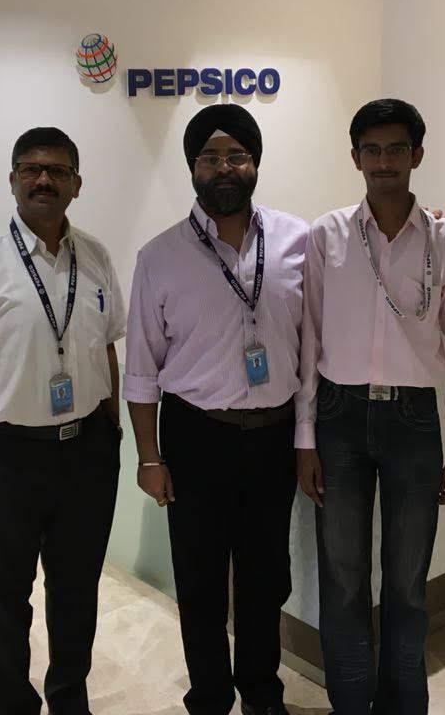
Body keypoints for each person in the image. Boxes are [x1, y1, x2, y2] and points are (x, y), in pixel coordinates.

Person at [0, 127, 125, 715]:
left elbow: (107, 347)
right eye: (31, 169)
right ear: (12, 181)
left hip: (87, 454)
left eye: (58, 171)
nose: (43, 180)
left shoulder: (96, 256)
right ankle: (14, 704)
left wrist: (111, 431)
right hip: (8, 458)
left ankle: (69, 700)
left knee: (77, 591)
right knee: (8, 597)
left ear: (76, 184)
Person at [296, 97, 445, 715]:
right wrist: (305, 438)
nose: (383, 162)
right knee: (343, 579)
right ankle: (352, 704)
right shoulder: (326, 236)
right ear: (355, 158)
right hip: (339, 419)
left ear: (417, 154)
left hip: (413, 421)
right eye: (371, 150)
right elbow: (309, 340)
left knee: (406, 583)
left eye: (396, 149)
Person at [124, 104, 306, 715]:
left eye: (236, 155)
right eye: (209, 157)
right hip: (196, 435)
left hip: (275, 435)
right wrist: (149, 457)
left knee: (265, 574)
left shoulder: (298, 241)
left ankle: (262, 690)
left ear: (255, 164)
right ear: (192, 167)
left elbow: (316, 345)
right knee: (199, 577)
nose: (223, 167)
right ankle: (208, 694)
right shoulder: (159, 256)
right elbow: (141, 369)